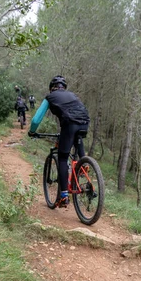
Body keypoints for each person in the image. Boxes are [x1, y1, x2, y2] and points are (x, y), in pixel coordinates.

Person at [29, 75, 90, 208]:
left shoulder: (50, 97)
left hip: (69, 125)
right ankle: (84, 163)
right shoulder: (73, 95)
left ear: (52, 88)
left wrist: (32, 131)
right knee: (77, 137)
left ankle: (63, 196)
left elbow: (35, 120)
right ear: (64, 88)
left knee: (62, 158)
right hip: (85, 122)